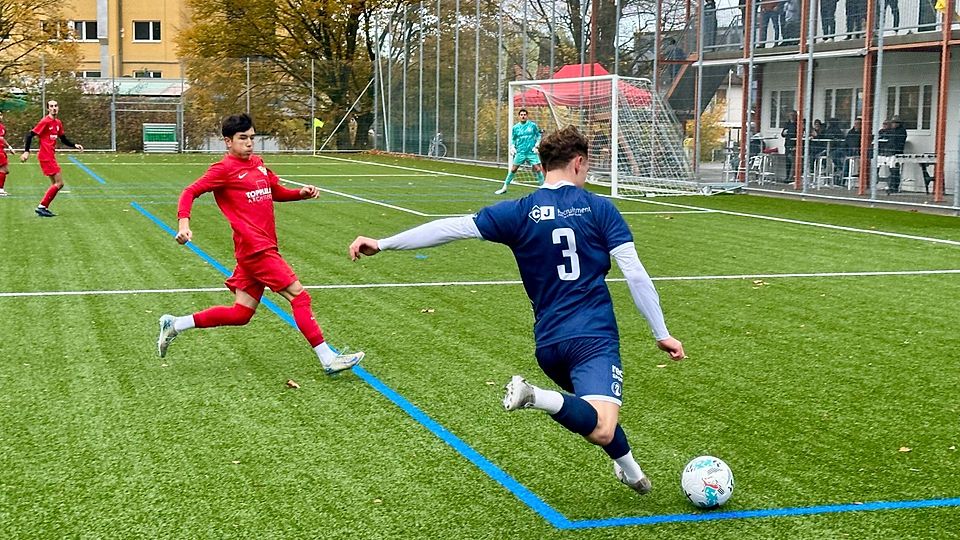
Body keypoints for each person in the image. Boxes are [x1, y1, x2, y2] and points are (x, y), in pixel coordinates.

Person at [348, 126, 685, 495]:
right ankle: (534, 396)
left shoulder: (520, 212)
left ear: (541, 168)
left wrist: (383, 243)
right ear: (579, 163)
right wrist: (661, 333)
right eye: (586, 169)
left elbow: (449, 228)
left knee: (593, 413)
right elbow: (635, 274)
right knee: (602, 424)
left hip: (549, 346)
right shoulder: (600, 209)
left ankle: (632, 472)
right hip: (593, 336)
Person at [156, 113, 364, 374]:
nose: (249, 143)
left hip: (256, 250)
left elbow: (275, 191)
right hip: (256, 250)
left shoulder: (258, 164)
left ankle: (175, 324)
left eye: (252, 138)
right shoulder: (222, 170)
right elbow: (190, 191)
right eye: (243, 138)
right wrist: (183, 225)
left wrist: (299, 194)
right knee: (300, 297)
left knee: (241, 314)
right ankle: (327, 359)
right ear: (228, 142)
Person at [20, 100, 84, 217]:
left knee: (55, 184)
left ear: (58, 108)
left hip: (50, 155)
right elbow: (30, 135)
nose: (54, 108)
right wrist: (26, 152)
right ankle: (42, 206)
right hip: (46, 156)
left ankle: (44, 207)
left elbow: (63, 138)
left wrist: (74, 145)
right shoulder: (45, 121)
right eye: (51, 106)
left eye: (55, 106)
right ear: (48, 109)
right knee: (59, 183)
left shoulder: (58, 123)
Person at [495, 108, 544, 195]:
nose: (523, 116)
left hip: (531, 152)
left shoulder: (532, 125)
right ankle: (504, 187)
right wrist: (512, 147)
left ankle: (544, 189)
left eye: (525, 114)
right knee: (513, 169)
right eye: (521, 115)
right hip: (520, 152)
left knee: (538, 168)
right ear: (519, 116)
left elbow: (538, 135)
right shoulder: (515, 128)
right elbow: (513, 139)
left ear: (527, 116)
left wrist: (537, 145)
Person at [881, 116, 907, 193]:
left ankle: (894, 186)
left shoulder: (901, 131)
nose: (893, 124)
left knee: (895, 170)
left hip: (897, 152)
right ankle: (892, 186)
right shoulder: (893, 131)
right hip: (891, 152)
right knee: (892, 170)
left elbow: (896, 142)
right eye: (893, 123)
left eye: (895, 123)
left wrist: (892, 149)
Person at [0, 111, 16, 197]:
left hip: (1, 150)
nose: (0, 116)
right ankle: (0, 190)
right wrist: (9, 147)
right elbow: (1, 138)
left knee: (4, 170)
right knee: (4, 169)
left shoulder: (2, 127)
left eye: (1, 114)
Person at [781, 110, 798, 182]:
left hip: (795, 144)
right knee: (788, 161)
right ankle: (787, 176)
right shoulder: (787, 124)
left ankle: (793, 176)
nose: (792, 116)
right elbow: (782, 134)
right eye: (790, 115)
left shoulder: (798, 124)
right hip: (787, 144)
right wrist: (784, 133)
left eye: (793, 115)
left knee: (794, 160)